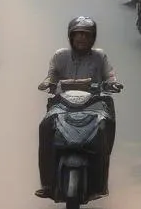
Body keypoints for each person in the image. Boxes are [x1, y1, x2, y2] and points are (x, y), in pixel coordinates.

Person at [36, 16, 118, 197]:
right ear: (71, 37)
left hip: (93, 105)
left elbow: (109, 75)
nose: (81, 38)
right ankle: (48, 182)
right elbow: (51, 75)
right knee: (45, 127)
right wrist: (47, 83)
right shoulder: (60, 56)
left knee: (105, 129)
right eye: (78, 34)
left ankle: (99, 183)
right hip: (63, 104)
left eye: (86, 35)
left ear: (93, 38)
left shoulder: (100, 56)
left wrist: (112, 83)